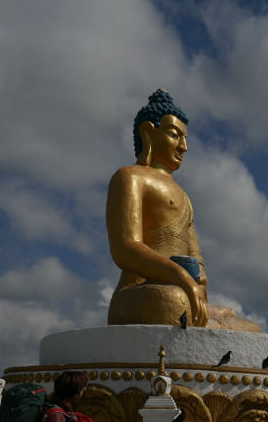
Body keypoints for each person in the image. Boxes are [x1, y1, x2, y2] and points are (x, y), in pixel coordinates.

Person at [105, 89, 259, 331]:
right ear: (148, 132)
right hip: (138, 293)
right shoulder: (130, 177)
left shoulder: (184, 196)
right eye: (175, 135)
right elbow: (125, 248)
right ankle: (207, 320)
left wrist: (199, 282)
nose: (184, 147)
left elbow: (196, 258)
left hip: (184, 292)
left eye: (185, 139)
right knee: (174, 302)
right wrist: (180, 277)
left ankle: (208, 319)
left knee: (249, 326)